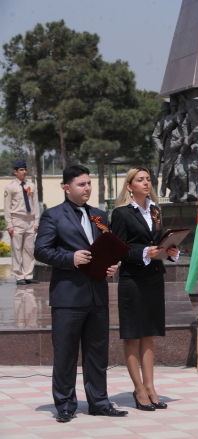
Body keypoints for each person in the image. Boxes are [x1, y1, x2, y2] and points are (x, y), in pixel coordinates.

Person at [34, 165, 127, 423]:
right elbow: (41, 251)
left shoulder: (99, 215)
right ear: (67, 187)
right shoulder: (52, 216)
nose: (87, 188)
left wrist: (112, 265)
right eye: (81, 184)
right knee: (65, 353)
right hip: (68, 297)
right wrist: (70, 257)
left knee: (97, 353)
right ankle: (64, 405)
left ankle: (99, 401)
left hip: (97, 294)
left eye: (89, 183)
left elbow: (105, 248)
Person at [110, 168, 179, 411]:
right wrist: (142, 252)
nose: (146, 183)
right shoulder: (120, 213)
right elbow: (117, 249)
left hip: (153, 277)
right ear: (129, 186)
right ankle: (138, 389)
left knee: (148, 334)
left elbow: (158, 241)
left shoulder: (156, 210)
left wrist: (170, 251)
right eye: (140, 180)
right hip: (132, 279)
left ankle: (150, 387)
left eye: (148, 179)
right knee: (132, 334)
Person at [4, 159, 40, 285]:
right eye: (21, 170)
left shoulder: (31, 186)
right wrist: (9, 225)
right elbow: (7, 208)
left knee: (29, 250)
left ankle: (28, 275)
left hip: (29, 221)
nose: (24, 172)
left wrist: (36, 222)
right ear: (15, 172)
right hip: (17, 220)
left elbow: (35, 205)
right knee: (16, 249)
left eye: (25, 169)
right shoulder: (10, 187)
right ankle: (19, 276)